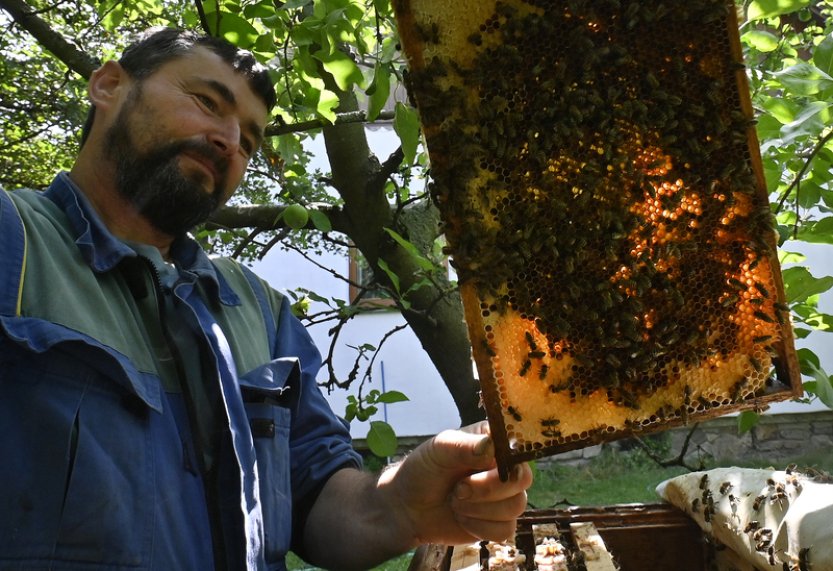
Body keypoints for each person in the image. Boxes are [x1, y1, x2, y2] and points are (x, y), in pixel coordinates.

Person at [0, 27, 532, 571]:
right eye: (207, 102)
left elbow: (319, 500)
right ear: (109, 85)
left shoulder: (258, 307)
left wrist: (399, 506)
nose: (230, 141)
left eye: (249, 140)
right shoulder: (10, 240)